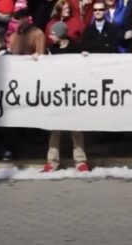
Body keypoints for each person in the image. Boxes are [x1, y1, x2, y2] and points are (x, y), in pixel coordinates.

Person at [41, 23, 89, 173]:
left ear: (60, 35)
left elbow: (84, 66)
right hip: (57, 94)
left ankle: (80, 161)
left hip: (73, 93)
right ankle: (52, 161)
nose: (50, 36)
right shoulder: (52, 50)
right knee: (55, 129)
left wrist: (86, 57)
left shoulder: (76, 47)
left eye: (53, 34)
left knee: (76, 128)